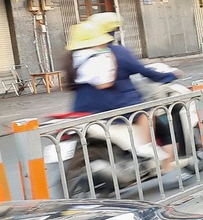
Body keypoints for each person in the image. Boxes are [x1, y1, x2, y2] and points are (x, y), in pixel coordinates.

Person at [64, 18, 179, 162]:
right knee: (147, 114)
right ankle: (153, 152)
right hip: (112, 104)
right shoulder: (110, 54)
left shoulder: (73, 58)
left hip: (82, 107)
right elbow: (107, 83)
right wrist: (168, 76)